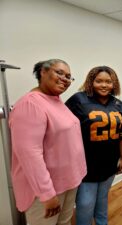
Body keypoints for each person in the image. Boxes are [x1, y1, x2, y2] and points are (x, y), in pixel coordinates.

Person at [9, 59, 87, 225]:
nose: (65, 79)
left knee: (64, 222)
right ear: (42, 72)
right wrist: (46, 194)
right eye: (59, 72)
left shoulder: (56, 100)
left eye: (69, 76)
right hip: (47, 189)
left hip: (67, 182)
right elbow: (29, 154)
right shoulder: (30, 104)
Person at [65, 66, 122, 225]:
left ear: (114, 84)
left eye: (108, 81)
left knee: (102, 200)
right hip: (87, 165)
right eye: (99, 81)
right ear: (91, 82)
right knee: (85, 205)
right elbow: (63, 129)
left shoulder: (118, 104)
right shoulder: (78, 100)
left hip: (109, 163)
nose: (104, 85)